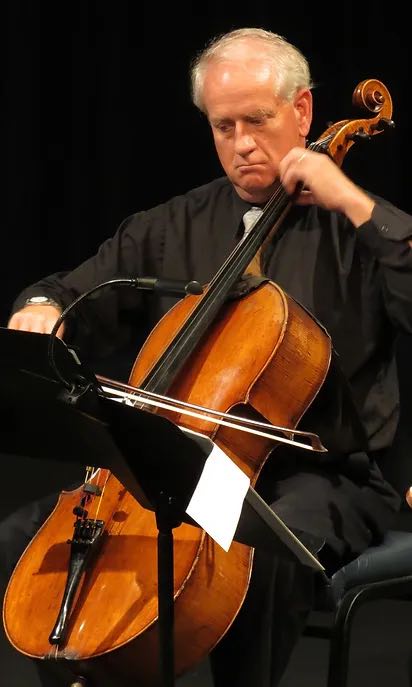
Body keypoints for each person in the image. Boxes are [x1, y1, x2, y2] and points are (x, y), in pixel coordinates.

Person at [3, 26, 412, 687]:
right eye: (224, 126)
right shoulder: (176, 224)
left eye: (259, 120)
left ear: (303, 111)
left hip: (325, 478)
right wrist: (45, 306)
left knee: (250, 543)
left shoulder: (358, 227)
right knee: (34, 539)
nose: (242, 144)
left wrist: (355, 201)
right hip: (185, 465)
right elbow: (73, 290)